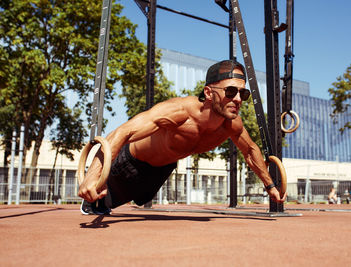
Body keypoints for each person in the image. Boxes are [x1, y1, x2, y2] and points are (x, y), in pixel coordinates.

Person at [79, 59, 287, 215]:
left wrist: (270, 186)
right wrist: (93, 175)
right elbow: (122, 132)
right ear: (208, 92)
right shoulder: (178, 112)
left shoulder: (232, 125)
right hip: (130, 163)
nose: (238, 99)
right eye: (231, 92)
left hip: (162, 170)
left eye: (244, 94)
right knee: (98, 206)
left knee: (142, 199)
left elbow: (250, 151)